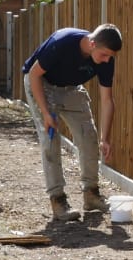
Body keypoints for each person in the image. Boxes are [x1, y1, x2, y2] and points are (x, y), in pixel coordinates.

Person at [23, 23, 122, 222]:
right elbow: (33, 74)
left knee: (89, 137)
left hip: (71, 88)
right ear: (92, 43)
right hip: (43, 84)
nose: (107, 60)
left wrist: (105, 138)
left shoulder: (105, 59)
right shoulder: (62, 42)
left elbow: (107, 100)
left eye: (110, 56)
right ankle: (58, 200)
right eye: (104, 55)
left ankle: (91, 195)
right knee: (50, 140)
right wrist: (46, 113)